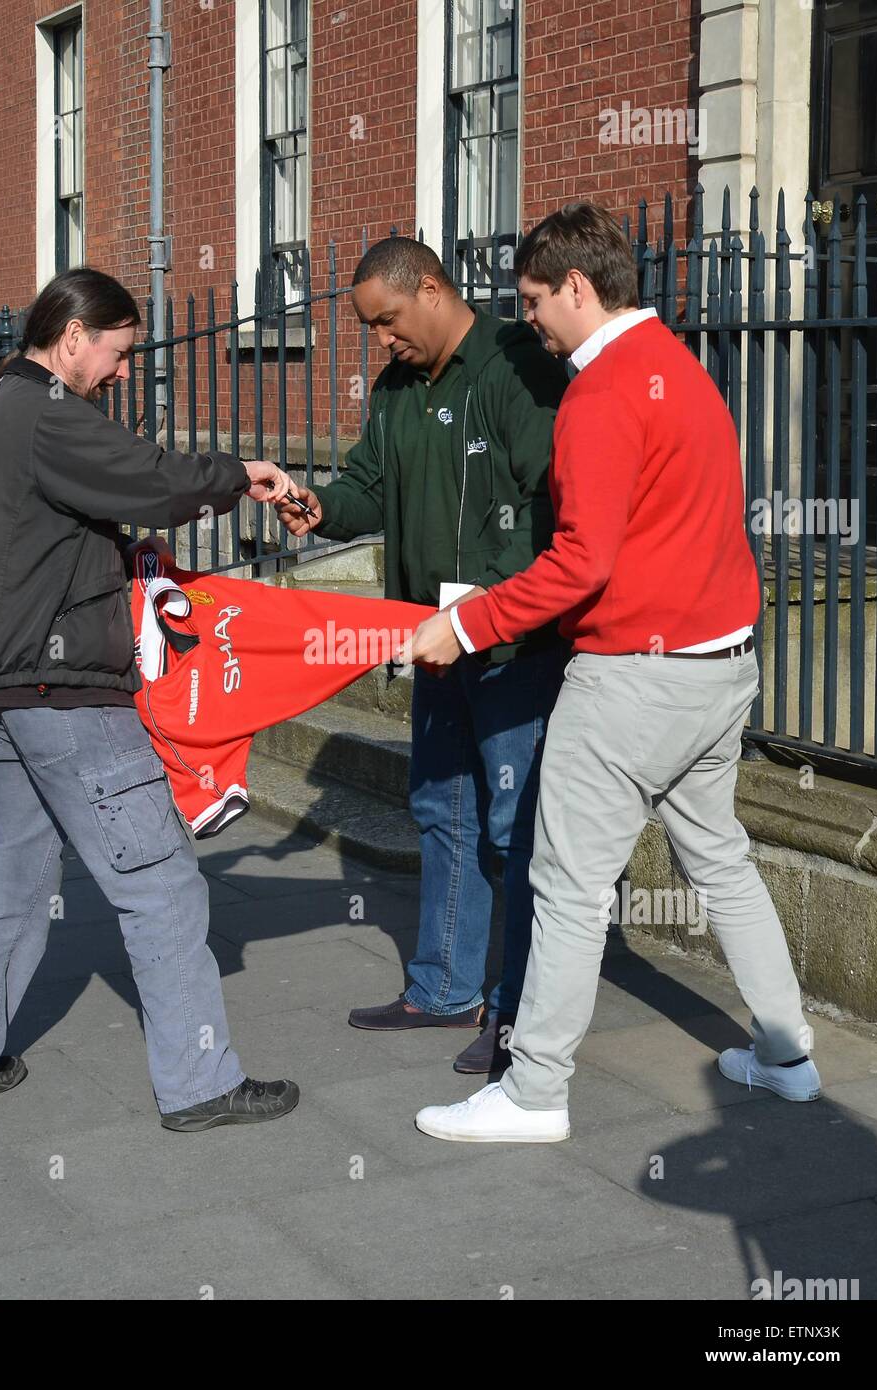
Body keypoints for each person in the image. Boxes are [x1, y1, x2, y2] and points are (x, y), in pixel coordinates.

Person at [406, 203, 820, 1142]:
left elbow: (577, 563)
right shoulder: (681, 369)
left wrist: (464, 626)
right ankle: (789, 1058)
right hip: (721, 670)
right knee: (721, 863)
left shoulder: (599, 395)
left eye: (534, 301)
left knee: (562, 883)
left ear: (578, 289)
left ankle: (533, 1091)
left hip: (634, 680)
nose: (530, 322)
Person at [0, 267, 299, 1133]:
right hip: (64, 691)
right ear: (75, 336)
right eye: (120, 352)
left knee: (9, 880)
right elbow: (153, 480)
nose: (124, 371)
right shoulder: (48, 412)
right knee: (158, 879)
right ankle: (200, 1084)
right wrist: (240, 473)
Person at [276, 237, 569, 1074]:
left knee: (516, 830)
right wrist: (314, 505)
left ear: (432, 290)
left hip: (515, 642)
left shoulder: (517, 366)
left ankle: (519, 1017)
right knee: (442, 808)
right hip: (432, 640)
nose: (382, 341)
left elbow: (551, 503)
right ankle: (443, 991)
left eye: (389, 322)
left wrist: (492, 604)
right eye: (370, 327)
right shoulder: (397, 388)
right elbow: (368, 486)